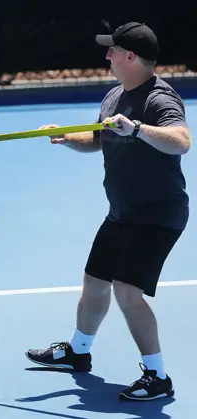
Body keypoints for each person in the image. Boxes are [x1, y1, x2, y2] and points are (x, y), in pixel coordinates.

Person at [25, 22, 191, 401]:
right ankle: (78, 352)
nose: (107, 56)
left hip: (157, 215)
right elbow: (98, 141)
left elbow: (182, 142)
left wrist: (138, 130)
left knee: (127, 291)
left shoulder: (160, 99)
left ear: (130, 56)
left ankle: (158, 376)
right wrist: (68, 137)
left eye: (112, 50)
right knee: (94, 282)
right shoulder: (114, 96)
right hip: (122, 211)